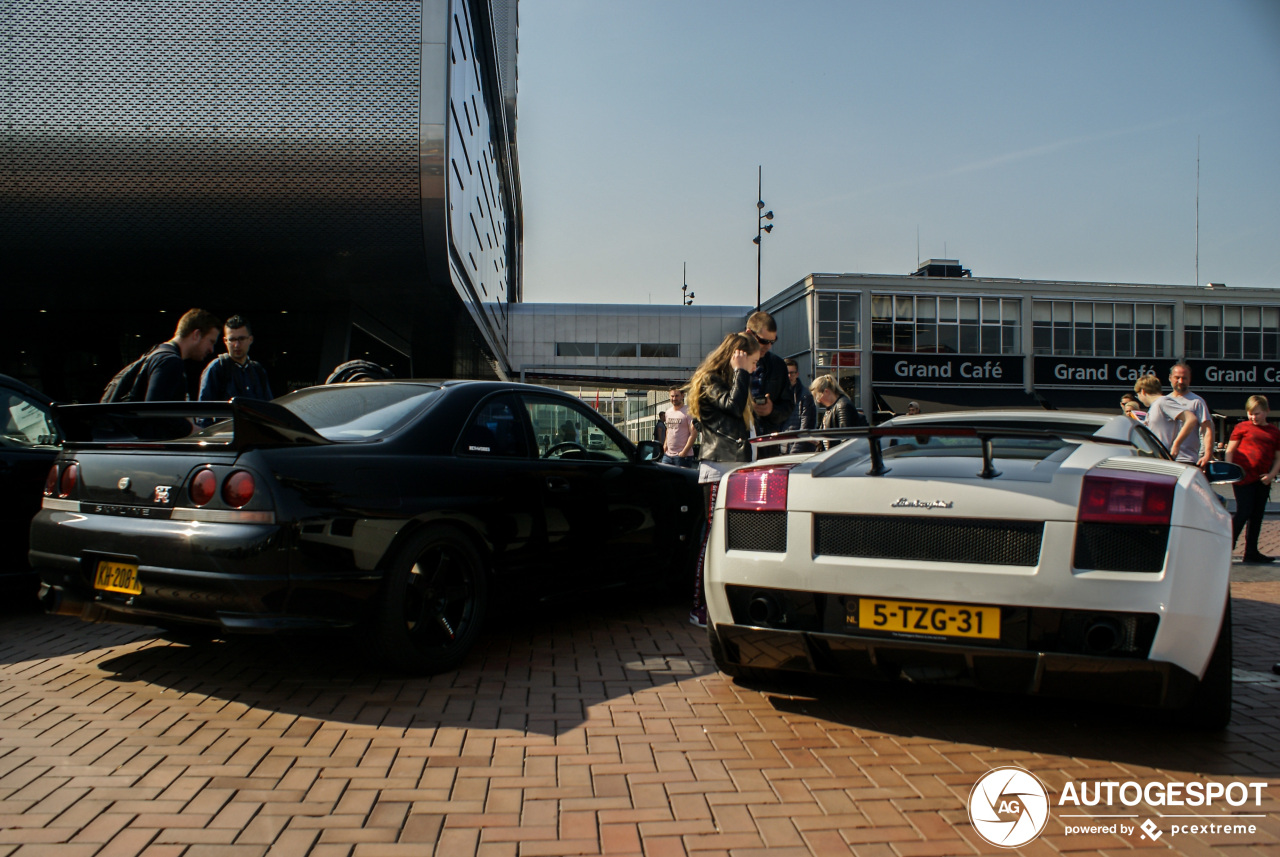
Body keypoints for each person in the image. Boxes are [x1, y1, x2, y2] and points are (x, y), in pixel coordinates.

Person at [686, 332, 762, 626]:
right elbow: (732, 406)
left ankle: (724, 602)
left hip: (737, 466)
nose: (755, 369)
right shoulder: (711, 380)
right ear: (739, 355)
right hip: (719, 467)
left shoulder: (731, 381)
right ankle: (699, 605)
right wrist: (741, 372)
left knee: (734, 538)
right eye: (753, 362)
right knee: (713, 537)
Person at [1224, 395, 1280, 564]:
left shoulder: (1274, 432)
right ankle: (1227, 546)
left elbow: (1278, 457)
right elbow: (1230, 450)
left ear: (1266, 412)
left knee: (1257, 515)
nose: (1253, 417)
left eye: (1257, 413)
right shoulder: (1242, 427)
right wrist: (1230, 469)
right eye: (1250, 413)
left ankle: (1251, 551)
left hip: (1262, 479)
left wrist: (1271, 476)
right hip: (1243, 478)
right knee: (1244, 511)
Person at [744, 311, 794, 459]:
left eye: (773, 341)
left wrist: (771, 410)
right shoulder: (726, 362)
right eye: (764, 341)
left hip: (766, 445)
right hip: (736, 446)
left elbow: (788, 406)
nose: (768, 346)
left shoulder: (777, 365)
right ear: (749, 333)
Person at [198, 315, 273, 405]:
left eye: (241, 339)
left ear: (250, 339)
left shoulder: (258, 370)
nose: (236, 345)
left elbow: (269, 406)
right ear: (225, 341)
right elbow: (204, 411)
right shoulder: (216, 369)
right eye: (232, 339)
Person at [1133, 375, 1198, 460]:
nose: (1139, 399)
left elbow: (1191, 419)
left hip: (1165, 456)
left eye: (1137, 395)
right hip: (1158, 456)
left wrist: (1176, 444)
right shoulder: (1155, 405)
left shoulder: (1163, 402)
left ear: (1143, 391)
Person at [1169, 362, 1214, 467]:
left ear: (1189, 379)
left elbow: (1207, 429)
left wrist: (1207, 455)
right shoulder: (1163, 401)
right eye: (1177, 377)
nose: (1180, 381)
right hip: (1166, 458)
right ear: (1170, 378)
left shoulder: (1197, 401)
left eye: (1184, 378)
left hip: (1188, 460)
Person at [810, 374, 864, 447]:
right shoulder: (832, 408)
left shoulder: (842, 406)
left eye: (817, 397)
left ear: (826, 391)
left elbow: (846, 439)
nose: (818, 401)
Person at [782, 358, 816, 453]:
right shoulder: (779, 394)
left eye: (792, 373)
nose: (789, 376)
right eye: (787, 373)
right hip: (782, 447)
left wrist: (794, 453)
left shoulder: (805, 395)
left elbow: (806, 427)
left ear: (797, 374)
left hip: (797, 449)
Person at [661, 387, 697, 468]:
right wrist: (665, 446)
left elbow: (693, 433)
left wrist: (684, 452)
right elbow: (668, 430)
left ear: (682, 396)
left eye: (677, 396)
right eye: (672, 396)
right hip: (667, 455)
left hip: (682, 456)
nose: (674, 398)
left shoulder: (689, 411)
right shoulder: (668, 412)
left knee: (680, 480)